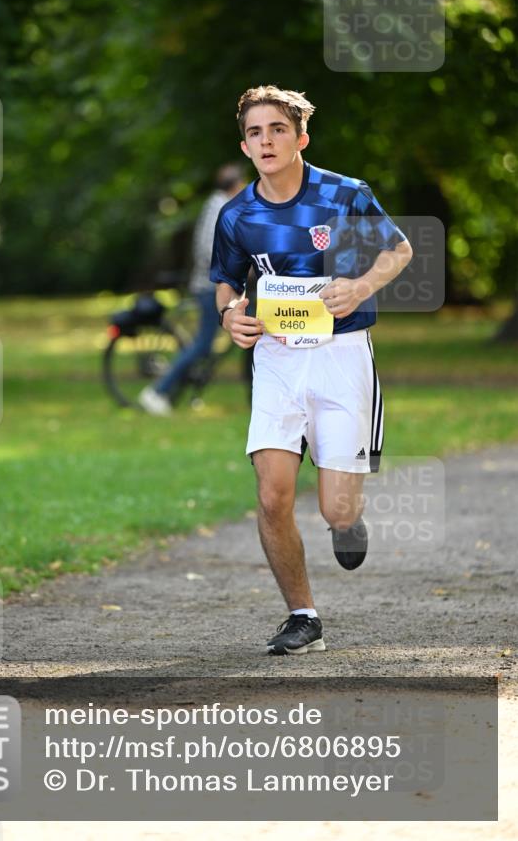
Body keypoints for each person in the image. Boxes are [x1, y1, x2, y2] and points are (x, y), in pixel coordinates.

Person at [211, 85, 413, 655]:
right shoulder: (237, 214)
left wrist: (362, 285)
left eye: (277, 129)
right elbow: (226, 282)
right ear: (245, 146)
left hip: (342, 355)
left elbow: (397, 250)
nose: (266, 140)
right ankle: (303, 616)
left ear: (300, 137)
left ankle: (347, 520)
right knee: (273, 494)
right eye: (255, 132)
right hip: (275, 358)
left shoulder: (344, 194)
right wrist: (231, 315)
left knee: (335, 507)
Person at [138, 163, 246, 416]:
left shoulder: (216, 203)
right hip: (211, 286)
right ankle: (157, 391)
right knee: (203, 344)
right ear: (235, 184)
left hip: (213, 284)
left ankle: (182, 391)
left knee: (207, 343)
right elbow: (211, 249)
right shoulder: (219, 206)